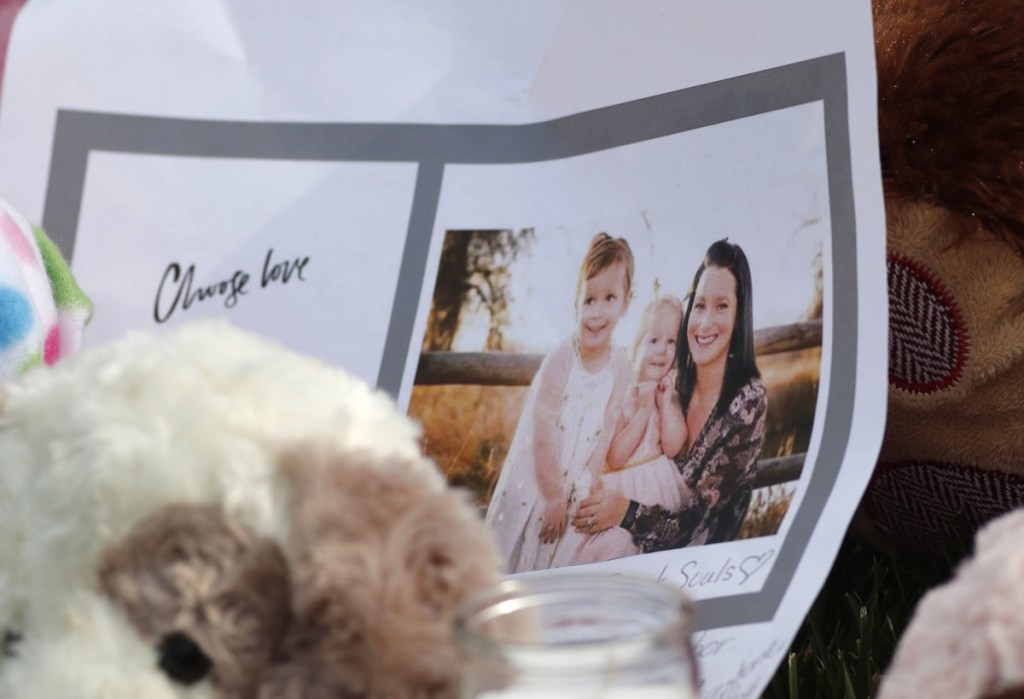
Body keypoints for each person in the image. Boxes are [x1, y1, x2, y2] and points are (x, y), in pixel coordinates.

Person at [573, 238, 767, 550]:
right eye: (700, 305)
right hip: (629, 518)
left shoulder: (744, 402)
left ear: (740, 316)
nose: (704, 322)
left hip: (695, 558)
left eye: (722, 306)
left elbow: (699, 524)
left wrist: (626, 512)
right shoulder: (675, 378)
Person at [485, 232, 634, 573]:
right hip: (542, 482)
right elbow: (542, 433)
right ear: (576, 301)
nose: (597, 311)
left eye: (609, 298)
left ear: (626, 302)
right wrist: (553, 494)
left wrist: (591, 479)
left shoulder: (621, 365)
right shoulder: (562, 359)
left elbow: (608, 426)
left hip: (577, 484)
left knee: (564, 554)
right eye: (589, 299)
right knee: (527, 547)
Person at [571, 295, 689, 565]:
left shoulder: (668, 392)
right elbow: (615, 457)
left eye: (671, 342)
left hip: (658, 487)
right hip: (623, 488)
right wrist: (644, 412)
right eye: (653, 340)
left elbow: (673, 446)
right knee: (619, 546)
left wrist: (666, 405)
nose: (662, 350)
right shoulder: (625, 394)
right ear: (636, 347)